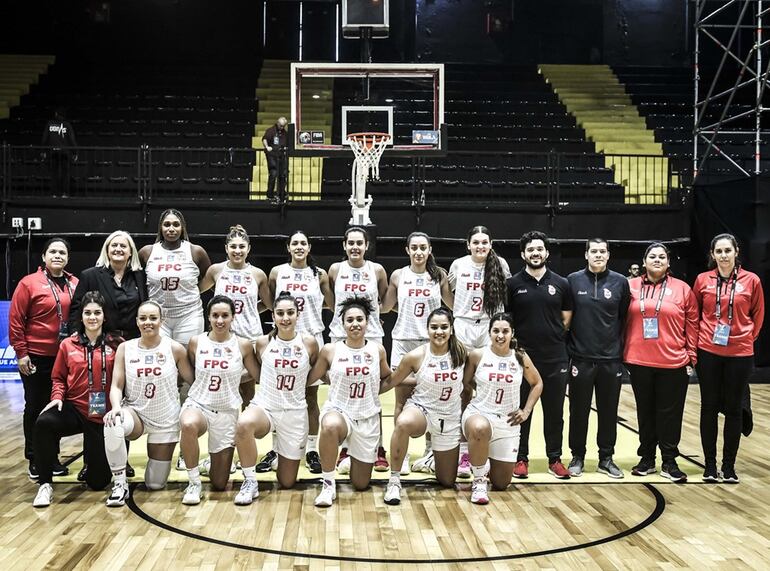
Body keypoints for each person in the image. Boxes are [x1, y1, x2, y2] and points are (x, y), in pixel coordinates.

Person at [102, 301, 194, 507]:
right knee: (113, 422)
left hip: (165, 420)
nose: (148, 322)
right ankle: (119, 484)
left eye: (153, 318)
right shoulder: (126, 348)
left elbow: (193, 382)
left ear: (162, 321)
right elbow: (116, 385)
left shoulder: (175, 348)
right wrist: (116, 407)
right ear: (137, 322)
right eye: (143, 318)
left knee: (154, 484)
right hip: (136, 413)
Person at [31, 291, 120, 508]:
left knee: (98, 483)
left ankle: (93, 465)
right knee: (43, 423)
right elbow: (58, 377)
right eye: (87, 313)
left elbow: (123, 379)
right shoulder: (68, 344)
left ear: (104, 316)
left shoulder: (117, 344)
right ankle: (45, 484)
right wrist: (57, 397)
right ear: (81, 316)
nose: (92, 317)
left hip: (102, 414)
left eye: (97, 313)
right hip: (76, 408)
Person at [233, 292, 320, 505]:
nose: (285, 318)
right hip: (266, 406)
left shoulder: (309, 343)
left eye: (290, 313)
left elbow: (314, 375)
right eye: (280, 313)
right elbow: (257, 375)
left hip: (295, 411)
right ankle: (250, 481)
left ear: (298, 314)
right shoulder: (263, 343)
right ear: (273, 315)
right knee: (244, 424)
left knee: (287, 481)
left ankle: (282, 453)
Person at [307, 297, 392, 507]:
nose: (355, 324)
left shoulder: (377, 350)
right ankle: (328, 485)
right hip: (339, 411)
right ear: (342, 324)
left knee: (361, 484)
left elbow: (387, 378)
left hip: (367, 416)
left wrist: (417, 377)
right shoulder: (330, 350)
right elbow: (311, 378)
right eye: (350, 320)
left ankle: (348, 459)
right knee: (329, 425)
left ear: (367, 322)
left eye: (359, 319)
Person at [624, 243, 699, 483]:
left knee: (670, 414)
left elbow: (694, 324)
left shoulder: (683, 289)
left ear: (668, 262)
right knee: (645, 412)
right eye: (652, 256)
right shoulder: (630, 286)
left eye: (662, 257)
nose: (657, 260)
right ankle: (646, 458)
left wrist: (691, 356)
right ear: (644, 262)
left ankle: (669, 460)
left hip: (673, 362)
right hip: (639, 360)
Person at [693, 234, 764, 483]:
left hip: (739, 353)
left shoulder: (751, 280)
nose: (723, 255)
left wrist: (744, 338)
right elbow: (696, 313)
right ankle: (710, 466)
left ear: (736, 252)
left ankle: (729, 466)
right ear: (712, 254)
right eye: (719, 251)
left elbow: (758, 314)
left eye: (727, 250)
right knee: (709, 407)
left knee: (734, 409)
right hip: (708, 351)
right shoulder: (703, 280)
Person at [381, 232, 454, 475]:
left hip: (432, 343)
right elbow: (386, 307)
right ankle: (400, 457)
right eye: (414, 247)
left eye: (423, 247)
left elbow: (453, 305)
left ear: (430, 249)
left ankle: (430, 453)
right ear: (407, 250)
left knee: (434, 400)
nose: (419, 252)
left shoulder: (439, 275)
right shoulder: (398, 275)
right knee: (401, 399)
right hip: (403, 340)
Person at [179, 295, 260, 505]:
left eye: (225, 315)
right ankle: (194, 482)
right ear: (209, 317)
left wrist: (233, 378)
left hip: (227, 411)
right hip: (199, 404)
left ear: (233, 317)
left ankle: (209, 464)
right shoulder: (197, 342)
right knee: (188, 424)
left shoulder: (242, 345)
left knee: (219, 482)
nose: (220, 320)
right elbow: (191, 372)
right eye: (215, 315)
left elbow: (257, 375)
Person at [505, 231, 573, 480]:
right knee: (522, 410)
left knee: (555, 412)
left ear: (547, 253)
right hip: (523, 358)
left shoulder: (562, 283)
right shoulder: (512, 284)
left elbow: (566, 318)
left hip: (555, 357)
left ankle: (554, 458)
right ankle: (520, 458)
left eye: (539, 249)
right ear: (523, 254)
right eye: (530, 250)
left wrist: (551, 336)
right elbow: (507, 319)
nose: (535, 253)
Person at [10, 237, 78, 480]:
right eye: (53, 251)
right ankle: (35, 458)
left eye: (62, 252)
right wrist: (22, 353)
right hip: (37, 358)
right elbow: (16, 320)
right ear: (44, 257)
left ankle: (52, 457)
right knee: (35, 407)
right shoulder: (29, 283)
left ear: (68, 258)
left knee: (56, 408)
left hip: (65, 357)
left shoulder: (74, 283)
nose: (58, 255)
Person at [266, 231, 334, 474]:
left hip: (311, 337)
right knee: (279, 396)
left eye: (303, 243)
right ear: (288, 247)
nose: (299, 246)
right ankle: (276, 449)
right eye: (294, 243)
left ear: (309, 247)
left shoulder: (319, 274)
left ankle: (312, 449)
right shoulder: (277, 272)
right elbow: (270, 301)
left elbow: (332, 304)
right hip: (283, 338)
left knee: (310, 396)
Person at [383, 308, 465, 505]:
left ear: (451, 329)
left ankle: (429, 461)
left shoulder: (462, 353)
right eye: (434, 327)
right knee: (403, 422)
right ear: (427, 330)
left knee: (447, 481)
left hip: (450, 417)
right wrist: (366, 387)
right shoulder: (415, 356)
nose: (439, 332)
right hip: (423, 410)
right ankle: (394, 481)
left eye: (444, 327)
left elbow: (471, 381)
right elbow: (392, 381)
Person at [448, 225, 510, 478]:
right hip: (463, 325)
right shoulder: (458, 265)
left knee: (487, 387)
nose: (480, 246)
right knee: (462, 387)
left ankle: (490, 447)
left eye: (485, 242)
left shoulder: (501, 265)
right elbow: (448, 293)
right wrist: (459, 312)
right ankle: (463, 449)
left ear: (491, 244)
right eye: (476, 242)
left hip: (489, 327)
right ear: (468, 244)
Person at [461, 313, 543, 504]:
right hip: (480, 413)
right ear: (489, 333)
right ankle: (479, 481)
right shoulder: (478, 355)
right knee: (479, 428)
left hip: (508, 422)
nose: (500, 335)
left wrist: (526, 411)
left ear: (512, 333)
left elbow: (537, 383)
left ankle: (484, 460)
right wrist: (480, 390)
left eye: (505, 331)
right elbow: (465, 382)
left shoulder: (520, 356)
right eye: (496, 331)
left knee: (501, 483)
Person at [566, 238, 630, 478]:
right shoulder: (572, 281)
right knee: (578, 411)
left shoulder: (620, 282)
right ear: (586, 254)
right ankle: (577, 456)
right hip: (581, 358)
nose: (598, 255)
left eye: (602, 251)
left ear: (608, 255)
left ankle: (606, 458)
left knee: (608, 411)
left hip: (610, 359)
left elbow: (623, 317)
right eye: (594, 251)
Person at [328, 226, 389, 472]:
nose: (355, 247)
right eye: (350, 243)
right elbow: (331, 301)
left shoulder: (376, 270)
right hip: (340, 332)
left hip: (371, 333)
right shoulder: (335, 270)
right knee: (341, 390)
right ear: (344, 245)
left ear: (366, 246)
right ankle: (345, 447)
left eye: (359, 243)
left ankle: (379, 447)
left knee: (371, 392)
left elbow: (383, 300)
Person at [139, 209, 211, 349]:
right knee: (162, 358)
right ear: (161, 227)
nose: (171, 229)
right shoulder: (147, 252)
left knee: (187, 360)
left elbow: (211, 279)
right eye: (167, 224)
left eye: (176, 224)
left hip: (189, 315)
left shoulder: (195, 251)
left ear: (182, 227)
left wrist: (194, 289)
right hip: (158, 316)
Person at [200, 225, 272, 343]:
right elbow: (195, 292)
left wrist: (249, 308)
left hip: (250, 336)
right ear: (226, 248)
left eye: (242, 246)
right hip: (222, 335)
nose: (237, 251)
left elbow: (269, 304)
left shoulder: (257, 274)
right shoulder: (216, 270)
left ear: (248, 248)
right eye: (233, 246)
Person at [70, 230, 148, 341]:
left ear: (131, 252)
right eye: (114, 245)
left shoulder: (140, 276)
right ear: (107, 250)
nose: (118, 249)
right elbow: (76, 308)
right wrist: (75, 333)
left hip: (135, 340)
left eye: (123, 246)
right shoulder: (90, 275)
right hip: (102, 341)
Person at [41, 108, 77, 197]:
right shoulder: (67, 125)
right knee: (65, 174)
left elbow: (44, 138)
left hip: (53, 152)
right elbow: (72, 139)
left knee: (54, 173)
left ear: (56, 114)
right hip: (65, 153)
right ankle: (65, 193)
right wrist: (75, 152)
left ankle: (54, 193)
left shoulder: (50, 124)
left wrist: (43, 151)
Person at [262, 116, 289, 203]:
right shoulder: (271, 130)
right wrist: (267, 147)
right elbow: (265, 139)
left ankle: (282, 193)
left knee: (283, 174)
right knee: (273, 173)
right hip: (272, 156)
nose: (282, 127)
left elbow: (288, 143)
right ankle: (270, 195)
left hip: (281, 156)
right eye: (281, 125)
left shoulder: (285, 133)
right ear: (277, 123)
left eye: (283, 126)